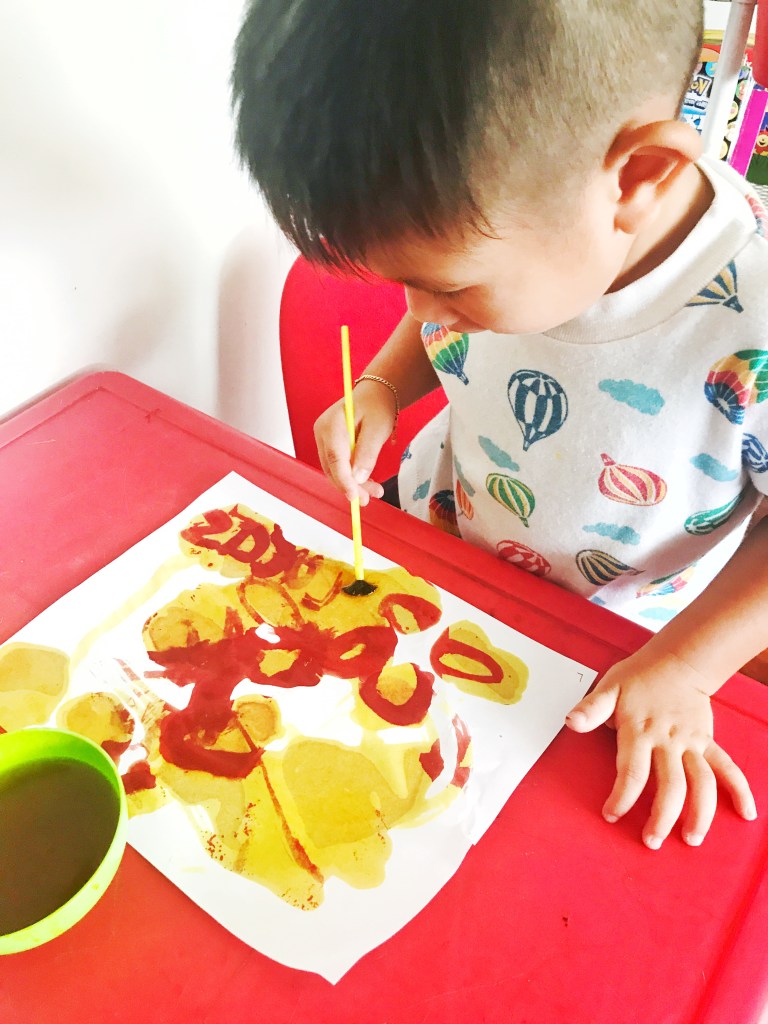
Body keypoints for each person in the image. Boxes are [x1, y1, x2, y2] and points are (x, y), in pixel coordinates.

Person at [232, 0, 767, 849]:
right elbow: (438, 319)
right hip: (439, 545)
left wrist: (686, 667)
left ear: (636, 177)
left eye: (447, 286)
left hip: (612, 639)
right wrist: (381, 384)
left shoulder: (754, 318)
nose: (420, 311)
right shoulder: (526, 230)